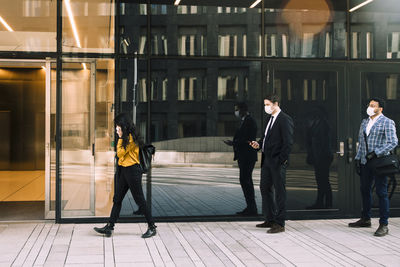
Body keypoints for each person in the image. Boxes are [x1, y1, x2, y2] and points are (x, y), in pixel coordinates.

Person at [94, 113, 157, 238]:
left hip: (133, 171)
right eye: (116, 127)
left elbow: (120, 153)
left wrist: (121, 138)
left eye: (118, 126)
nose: (116, 129)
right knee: (117, 199)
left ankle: (152, 227)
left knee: (139, 199)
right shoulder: (125, 137)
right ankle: (110, 227)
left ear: (124, 126)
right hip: (124, 170)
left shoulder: (130, 138)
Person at [349, 97, 398, 237]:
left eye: (373, 105)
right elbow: (361, 143)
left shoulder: (387, 122)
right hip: (365, 163)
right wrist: (358, 159)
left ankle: (384, 224)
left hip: (379, 163)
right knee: (365, 190)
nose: (369, 107)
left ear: (380, 109)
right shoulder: (365, 122)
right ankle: (366, 218)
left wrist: (376, 153)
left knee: (381, 192)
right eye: (369, 105)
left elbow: (393, 142)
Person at [250, 94, 294, 234]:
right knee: (265, 188)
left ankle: (280, 223)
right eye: (265, 105)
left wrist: (281, 160)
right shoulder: (270, 119)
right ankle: (269, 219)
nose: (266, 107)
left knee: (279, 192)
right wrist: (259, 144)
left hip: (277, 162)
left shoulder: (284, 119)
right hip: (267, 161)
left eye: (268, 104)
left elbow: (288, 143)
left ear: (275, 104)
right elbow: (266, 138)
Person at [223, 102, 258, 216]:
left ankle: (252, 208)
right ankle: (250, 207)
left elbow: (248, 139)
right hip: (244, 155)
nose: (235, 112)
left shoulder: (249, 121)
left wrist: (234, 142)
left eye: (236, 109)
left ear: (243, 109)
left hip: (247, 156)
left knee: (246, 181)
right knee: (245, 181)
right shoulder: (245, 121)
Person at [305, 107, 333, 209]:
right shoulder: (317, 124)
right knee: (321, 180)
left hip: (323, 156)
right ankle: (321, 202)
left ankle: (327, 203)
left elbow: (321, 142)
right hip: (320, 156)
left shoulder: (323, 125)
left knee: (323, 180)